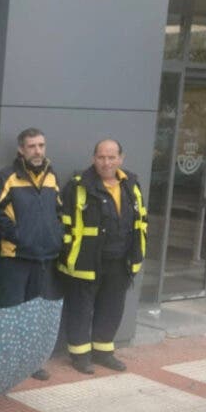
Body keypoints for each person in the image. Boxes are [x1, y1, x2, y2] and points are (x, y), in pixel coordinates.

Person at [59, 139, 146, 374]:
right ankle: (79, 356)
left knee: (112, 307)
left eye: (111, 157)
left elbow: (140, 222)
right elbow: (64, 224)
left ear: (121, 158)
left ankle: (104, 352)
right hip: (86, 260)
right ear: (93, 158)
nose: (106, 162)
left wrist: (136, 254)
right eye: (101, 157)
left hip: (120, 260)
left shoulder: (132, 185)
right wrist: (68, 256)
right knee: (81, 308)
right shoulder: (79, 185)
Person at [0, 128, 64, 381]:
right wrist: (19, 236)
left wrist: (56, 234)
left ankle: (31, 363)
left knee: (34, 315)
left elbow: (59, 211)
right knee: (10, 313)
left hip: (44, 258)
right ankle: (7, 363)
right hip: (15, 257)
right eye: (31, 146)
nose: (37, 151)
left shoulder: (52, 177)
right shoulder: (6, 177)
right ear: (21, 149)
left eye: (41, 145)